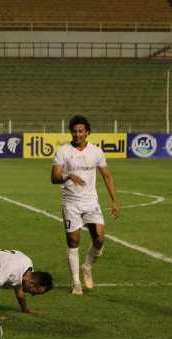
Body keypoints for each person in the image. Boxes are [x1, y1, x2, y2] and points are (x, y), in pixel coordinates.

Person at [51, 115, 119, 295]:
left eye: (80, 131)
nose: (77, 134)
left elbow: (107, 175)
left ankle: (87, 267)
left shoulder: (96, 152)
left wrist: (114, 200)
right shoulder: (63, 151)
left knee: (99, 239)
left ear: (87, 133)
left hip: (91, 203)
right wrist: (67, 176)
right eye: (74, 131)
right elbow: (54, 177)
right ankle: (75, 282)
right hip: (71, 203)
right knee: (73, 241)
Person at [0, 248, 53, 324]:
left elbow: (19, 289)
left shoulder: (27, 267)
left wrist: (25, 309)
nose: (32, 295)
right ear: (32, 284)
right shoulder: (13, 269)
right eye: (34, 293)